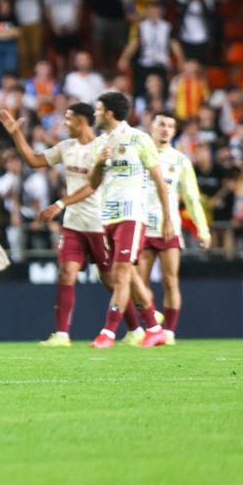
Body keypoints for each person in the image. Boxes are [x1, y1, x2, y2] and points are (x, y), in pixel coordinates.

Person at [0, 103, 130, 346]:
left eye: (68, 119)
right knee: (66, 273)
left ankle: (136, 327)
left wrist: (59, 204)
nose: (64, 124)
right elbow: (34, 160)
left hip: (99, 223)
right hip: (73, 224)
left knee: (110, 280)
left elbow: (93, 186)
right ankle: (61, 334)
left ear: (81, 122)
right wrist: (16, 134)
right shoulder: (66, 147)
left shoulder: (102, 147)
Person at [86, 91, 175, 349]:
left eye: (98, 109)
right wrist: (99, 164)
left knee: (121, 272)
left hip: (132, 214)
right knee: (128, 274)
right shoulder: (99, 143)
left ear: (109, 113)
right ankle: (155, 328)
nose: (96, 114)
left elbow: (159, 180)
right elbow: (92, 184)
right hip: (107, 216)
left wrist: (168, 218)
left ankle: (108, 333)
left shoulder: (139, 139)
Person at [137, 112, 211, 345]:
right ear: (151, 126)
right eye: (161, 124)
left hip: (169, 229)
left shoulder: (180, 161)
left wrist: (203, 228)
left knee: (171, 281)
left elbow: (191, 197)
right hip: (141, 226)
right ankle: (153, 322)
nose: (166, 129)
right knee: (139, 283)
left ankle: (168, 331)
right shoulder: (138, 156)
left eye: (170, 126)